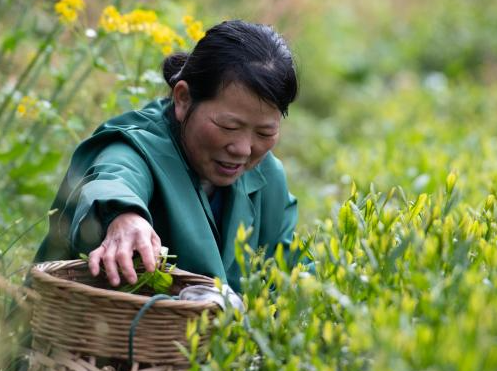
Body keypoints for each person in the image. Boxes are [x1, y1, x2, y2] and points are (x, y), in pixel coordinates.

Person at [33, 19, 299, 293]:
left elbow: (288, 274)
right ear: (183, 98)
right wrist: (124, 215)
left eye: (265, 132)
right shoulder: (139, 145)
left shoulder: (268, 178)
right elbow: (115, 173)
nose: (243, 149)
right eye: (229, 126)